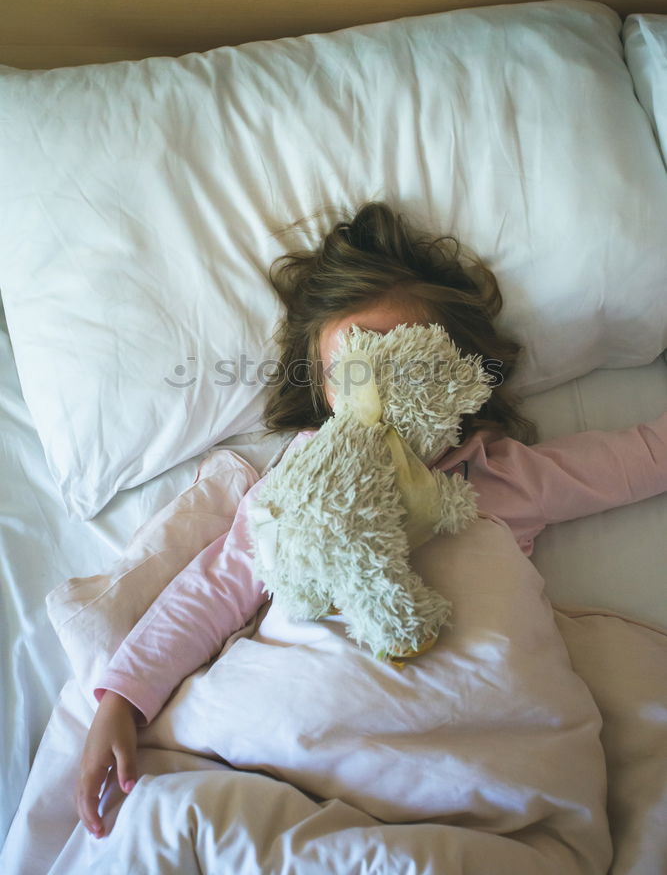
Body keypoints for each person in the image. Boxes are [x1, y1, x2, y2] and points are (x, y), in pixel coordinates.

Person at [77, 202, 667, 838]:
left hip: (460, 746)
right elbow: (216, 585)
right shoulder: (300, 481)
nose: (378, 393)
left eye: (400, 365)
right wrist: (123, 699)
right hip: (294, 729)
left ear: (456, 374)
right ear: (327, 393)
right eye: (352, 372)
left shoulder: (503, 477)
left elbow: (638, 458)